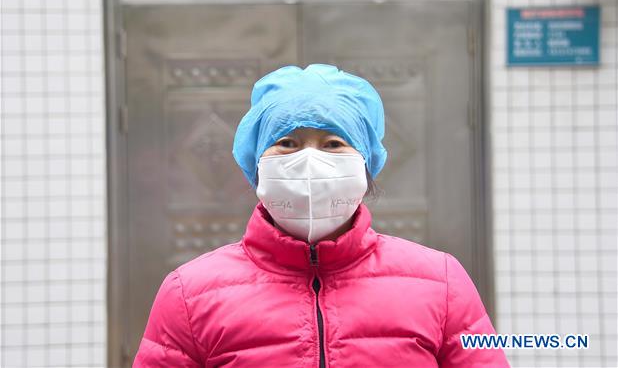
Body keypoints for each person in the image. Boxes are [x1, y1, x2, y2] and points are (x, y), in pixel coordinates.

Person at [134, 63, 510, 366]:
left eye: (333, 144)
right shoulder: (190, 293)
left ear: (364, 163)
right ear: (257, 163)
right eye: (287, 143)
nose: (309, 160)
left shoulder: (440, 282)